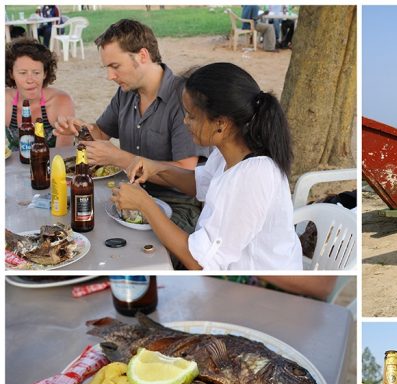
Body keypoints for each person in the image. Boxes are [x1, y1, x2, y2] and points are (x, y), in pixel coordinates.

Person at [111, 62, 303, 271]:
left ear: (221, 124)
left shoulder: (253, 176)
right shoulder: (230, 152)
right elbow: (199, 183)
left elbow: (201, 262)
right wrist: (157, 168)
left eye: (191, 116)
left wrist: (145, 205)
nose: (185, 121)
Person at [53, 19, 205, 233]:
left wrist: (119, 158)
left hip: (177, 205)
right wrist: (81, 129)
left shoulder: (183, 98)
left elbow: (187, 173)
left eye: (115, 66)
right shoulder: (126, 93)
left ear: (143, 56)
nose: (110, 76)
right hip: (129, 194)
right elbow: (101, 133)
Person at [5, 38, 74, 150]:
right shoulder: (5, 100)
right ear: (11, 74)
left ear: (45, 74)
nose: (30, 80)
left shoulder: (61, 101)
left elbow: (64, 154)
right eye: (22, 73)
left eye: (36, 73)